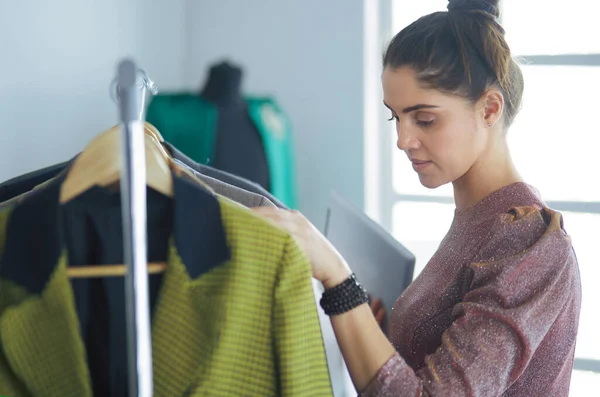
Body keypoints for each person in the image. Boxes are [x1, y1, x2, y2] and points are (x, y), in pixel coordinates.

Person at [253, 0, 582, 395]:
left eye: (425, 119)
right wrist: (373, 334)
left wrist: (338, 279)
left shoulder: (529, 244)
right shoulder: (480, 217)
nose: (402, 140)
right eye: (396, 117)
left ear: (490, 108)